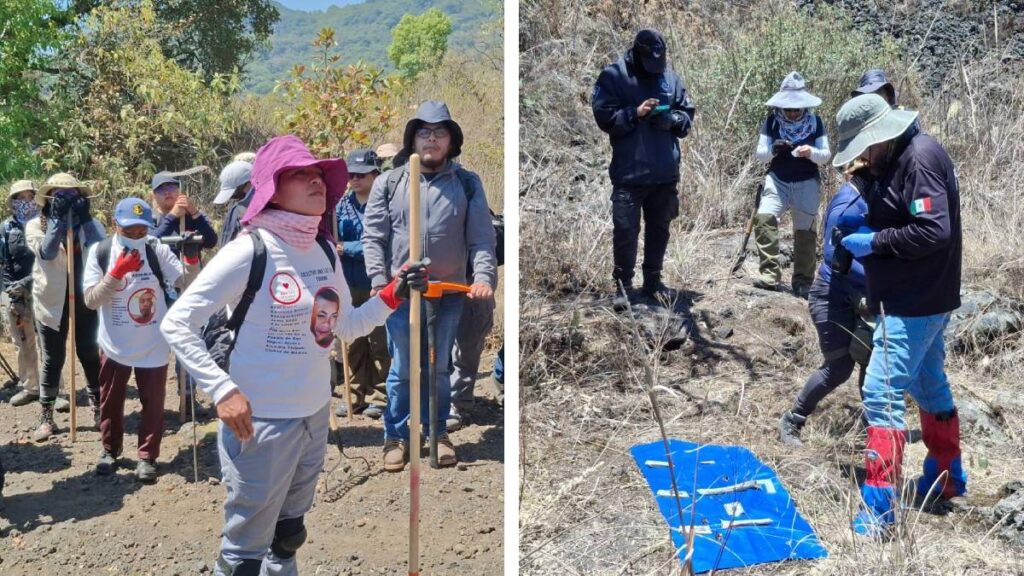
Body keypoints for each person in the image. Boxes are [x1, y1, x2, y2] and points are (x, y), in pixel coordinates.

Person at [161, 135, 428, 575]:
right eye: (299, 174)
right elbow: (177, 323)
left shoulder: (322, 250)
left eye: (318, 173)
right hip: (260, 422)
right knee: (245, 549)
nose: (316, 181)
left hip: (313, 414)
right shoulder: (249, 250)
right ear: (271, 187)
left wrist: (393, 294)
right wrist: (223, 390)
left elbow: (346, 326)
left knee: (288, 535)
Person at [832, 94, 965, 535]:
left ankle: (880, 509)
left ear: (881, 135)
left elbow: (934, 229)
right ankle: (946, 477)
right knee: (929, 384)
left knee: (880, 392)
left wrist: (876, 242)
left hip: (917, 299)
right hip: (921, 295)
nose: (863, 158)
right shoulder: (897, 159)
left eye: (863, 148)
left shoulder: (919, 158)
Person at [363, 100, 498, 471]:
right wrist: (378, 281)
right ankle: (397, 436)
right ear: (413, 139)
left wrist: (483, 278)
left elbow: (482, 241)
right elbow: (373, 236)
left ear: (451, 141)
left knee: (439, 368)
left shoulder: (467, 184)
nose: (432, 139)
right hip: (400, 292)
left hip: (448, 293)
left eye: (440, 133)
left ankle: (437, 432)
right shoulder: (390, 183)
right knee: (403, 367)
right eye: (424, 132)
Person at [591, 28, 695, 308]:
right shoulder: (614, 76)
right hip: (629, 174)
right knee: (625, 230)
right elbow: (604, 118)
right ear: (636, 54)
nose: (654, 70)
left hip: (664, 173)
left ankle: (653, 282)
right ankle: (623, 287)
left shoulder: (671, 78)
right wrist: (634, 114)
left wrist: (672, 119)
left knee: (660, 228)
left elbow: (687, 115)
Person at [83, 198, 182, 481]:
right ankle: (109, 450)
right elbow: (91, 300)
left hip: (153, 341)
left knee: (153, 402)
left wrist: (188, 258)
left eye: (142, 230)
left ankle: (147, 456)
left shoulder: (156, 249)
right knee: (111, 400)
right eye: (130, 231)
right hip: (114, 343)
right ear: (115, 225)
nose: (137, 236)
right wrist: (117, 273)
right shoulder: (100, 251)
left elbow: (184, 281)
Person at [778, 162, 871, 446]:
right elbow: (836, 258)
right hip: (831, 295)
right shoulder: (849, 204)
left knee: (872, 363)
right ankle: (792, 420)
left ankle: (875, 430)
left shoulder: (874, 198)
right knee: (839, 367)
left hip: (864, 297)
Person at [25, 173, 106, 441]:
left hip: (85, 297)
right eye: (59, 195)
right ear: (48, 200)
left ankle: (98, 408)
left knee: (89, 352)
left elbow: (100, 249)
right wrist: (58, 222)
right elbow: (47, 252)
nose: (66, 200)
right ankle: (47, 416)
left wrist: (84, 219)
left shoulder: (90, 224)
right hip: (51, 299)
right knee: (53, 357)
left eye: (71, 195)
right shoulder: (36, 225)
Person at [752, 71, 832, 297]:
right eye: (788, 109)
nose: (793, 113)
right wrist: (773, 149)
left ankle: (803, 282)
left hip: (806, 182)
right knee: (765, 218)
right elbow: (761, 154)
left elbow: (825, 155)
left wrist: (810, 153)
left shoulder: (816, 123)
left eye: (797, 109)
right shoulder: (771, 122)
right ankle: (769, 275)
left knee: (804, 231)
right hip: (777, 181)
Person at [151, 171, 217, 413]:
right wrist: (172, 217)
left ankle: (187, 399)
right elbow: (149, 242)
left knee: (187, 340)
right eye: (162, 189)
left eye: (172, 187)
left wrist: (194, 214)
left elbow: (210, 240)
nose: (168, 192)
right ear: (154, 194)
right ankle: (153, 400)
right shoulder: (151, 218)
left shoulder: (191, 216)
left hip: (188, 287)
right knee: (156, 344)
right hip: (157, 289)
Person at [334, 148, 389, 419]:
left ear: (375, 175)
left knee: (380, 341)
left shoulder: (384, 204)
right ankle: (354, 393)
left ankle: (380, 394)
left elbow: (380, 243)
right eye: (350, 175)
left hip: (376, 282)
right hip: (348, 282)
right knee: (353, 340)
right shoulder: (340, 206)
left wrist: (347, 248)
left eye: (361, 175)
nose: (354, 180)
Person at [3, 180, 67, 410]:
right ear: (12, 202)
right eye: (19, 198)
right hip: (16, 295)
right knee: (23, 341)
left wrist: (26, 283)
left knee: (47, 342)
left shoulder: (44, 224)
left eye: (30, 197)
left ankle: (56, 390)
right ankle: (30, 387)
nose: (25, 202)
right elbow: (4, 262)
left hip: (43, 290)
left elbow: (49, 259)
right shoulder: (6, 228)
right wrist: (11, 291)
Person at [215, 154, 256, 247]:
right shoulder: (237, 206)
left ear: (249, 183)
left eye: (235, 192)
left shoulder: (259, 207)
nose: (233, 196)